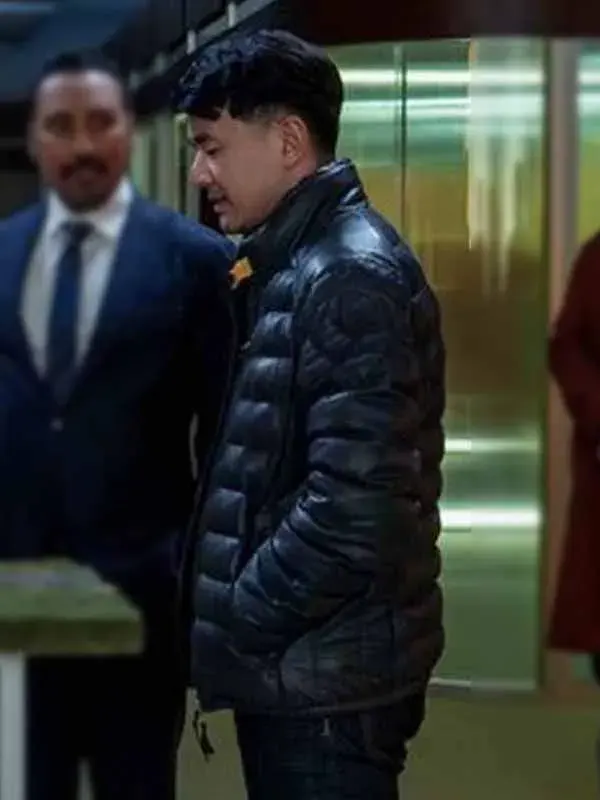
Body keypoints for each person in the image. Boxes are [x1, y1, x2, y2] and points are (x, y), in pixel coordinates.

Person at [174, 29, 445, 799]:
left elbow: (356, 509)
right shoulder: (289, 262)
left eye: (213, 147)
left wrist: (243, 614)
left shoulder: (348, 274)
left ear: (288, 140)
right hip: (306, 667)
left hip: (324, 686)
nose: (199, 173)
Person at [1, 49, 234, 800]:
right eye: (60, 126)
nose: (82, 145)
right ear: (34, 139)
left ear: (130, 131)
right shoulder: (1, 256)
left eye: (100, 122)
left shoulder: (196, 262)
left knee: (136, 784)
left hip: (139, 601)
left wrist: (199, 581)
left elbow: (227, 438)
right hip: (18, 595)